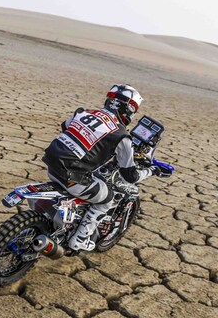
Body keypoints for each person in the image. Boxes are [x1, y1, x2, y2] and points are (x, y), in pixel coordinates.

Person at [42, 84, 172, 251]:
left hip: (52, 166)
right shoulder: (121, 135)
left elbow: (66, 127)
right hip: (72, 177)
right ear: (129, 110)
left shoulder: (84, 113)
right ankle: (79, 239)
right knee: (106, 199)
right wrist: (152, 170)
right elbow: (130, 176)